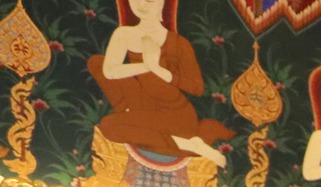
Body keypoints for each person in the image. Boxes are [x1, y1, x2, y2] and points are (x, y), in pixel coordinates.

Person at [88, 0, 232, 168]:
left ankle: (189, 145)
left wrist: (158, 69)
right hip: (142, 105)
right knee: (97, 62)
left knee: (109, 126)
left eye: (149, 0)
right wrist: (146, 65)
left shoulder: (179, 44)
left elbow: (197, 88)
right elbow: (109, 72)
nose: (141, 4)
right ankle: (184, 143)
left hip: (175, 114)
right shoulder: (124, 34)